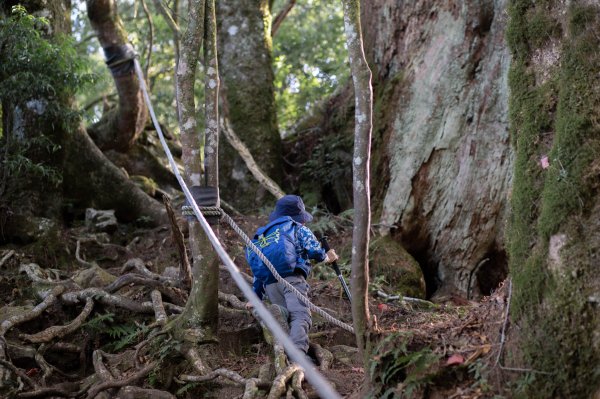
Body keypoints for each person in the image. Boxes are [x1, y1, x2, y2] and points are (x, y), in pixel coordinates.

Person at [245, 194, 338, 355]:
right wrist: (328, 257)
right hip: (292, 280)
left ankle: (284, 348)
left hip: (270, 285)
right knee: (301, 315)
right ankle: (299, 356)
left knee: (287, 319)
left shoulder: (264, 235)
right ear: (298, 216)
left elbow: (258, 270)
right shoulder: (297, 227)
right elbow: (315, 251)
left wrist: (256, 297)